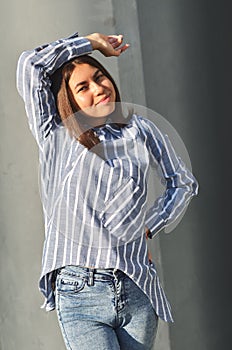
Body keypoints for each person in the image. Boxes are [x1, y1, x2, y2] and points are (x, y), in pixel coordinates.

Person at [16, 32, 198, 350]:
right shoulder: (55, 135)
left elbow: (182, 182)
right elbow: (31, 64)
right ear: (68, 100)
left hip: (137, 286)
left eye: (99, 77)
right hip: (80, 291)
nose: (99, 88)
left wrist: (148, 226)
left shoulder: (140, 129)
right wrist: (90, 43)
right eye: (83, 87)